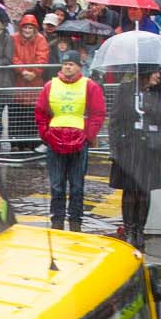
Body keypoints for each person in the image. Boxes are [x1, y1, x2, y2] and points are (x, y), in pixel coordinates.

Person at [35, 53, 104, 233]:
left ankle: (75, 222)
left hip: (79, 143)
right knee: (56, 186)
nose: (67, 67)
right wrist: (46, 135)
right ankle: (57, 221)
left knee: (77, 186)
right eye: (65, 64)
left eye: (71, 64)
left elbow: (98, 113)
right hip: (55, 142)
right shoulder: (50, 85)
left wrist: (88, 136)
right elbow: (40, 112)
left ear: (79, 66)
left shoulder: (90, 86)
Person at [107, 66, 161, 248]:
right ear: (145, 73)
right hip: (130, 145)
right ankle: (129, 229)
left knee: (145, 190)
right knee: (130, 190)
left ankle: (139, 230)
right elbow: (115, 119)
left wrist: (152, 109)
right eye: (155, 72)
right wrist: (114, 148)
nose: (158, 75)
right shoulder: (126, 89)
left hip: (152, 146)